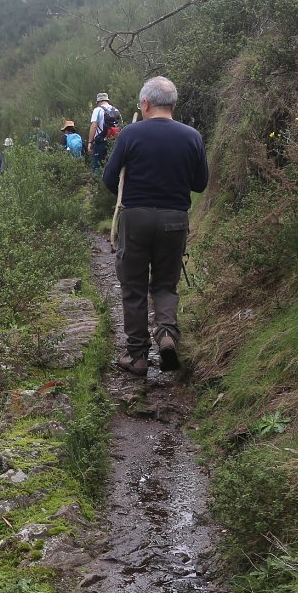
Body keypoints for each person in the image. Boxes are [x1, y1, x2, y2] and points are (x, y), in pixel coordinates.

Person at [102, 76, 208, 375]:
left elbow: (110, 179)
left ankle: (137, 356)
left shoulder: (130, 134)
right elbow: (200, 184)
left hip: (135, 218)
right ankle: (166, 335)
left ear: (146, 103)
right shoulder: (192, 136)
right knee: (164, 284)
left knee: (134, 286)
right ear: (172, 104)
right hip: (175, 219)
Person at [87, 92, 121, 173]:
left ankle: (99, 180)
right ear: (107, 101)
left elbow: (94, 126)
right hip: (114, 141)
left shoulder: (97, 110)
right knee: (112, 166)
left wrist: (90, 142)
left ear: (98, 102)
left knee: (98, 166)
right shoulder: (115, 110)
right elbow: (120, 125)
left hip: (101, 142)